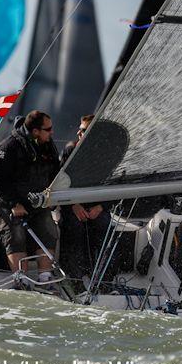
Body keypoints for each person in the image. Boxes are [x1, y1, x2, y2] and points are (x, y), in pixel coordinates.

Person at [0, 110, 60, 284]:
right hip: (4, 200)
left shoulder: (48, 145)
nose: (52, 132)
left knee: (48, 227)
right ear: (35, 131)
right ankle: (22, 281)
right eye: (48, 129)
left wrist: (51, 199)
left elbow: (55, 174)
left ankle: (45, 278)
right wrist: (13, 204)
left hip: (35, 200)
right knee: (15, 231)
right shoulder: (9, 147)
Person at [58, 114, 131, 286]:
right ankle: (75, 278)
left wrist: (101, 206)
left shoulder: (108, 154)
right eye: (79, 129)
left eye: (83, 130)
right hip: (72, 205)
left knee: (104, 228)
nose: (78, 133)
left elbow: (115, 186)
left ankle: (106, 279)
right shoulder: (70, 151)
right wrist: (74, 205)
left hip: (98, 205)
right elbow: (60, 183)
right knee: (74, 228)